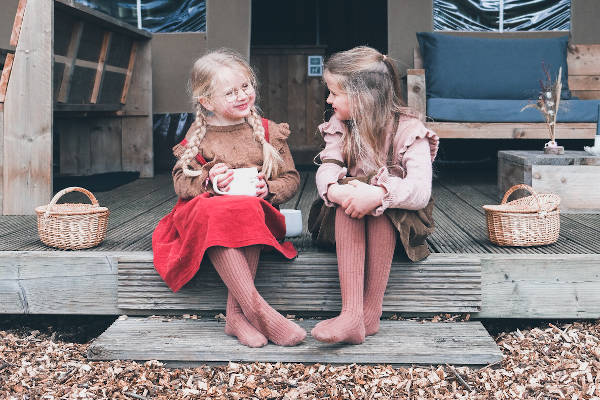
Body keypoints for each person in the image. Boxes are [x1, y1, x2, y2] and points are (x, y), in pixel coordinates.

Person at [152, 49, 306, 348]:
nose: (242, 95)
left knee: (245, 207)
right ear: (207, 102)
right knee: (225, 210)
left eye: (246, 86)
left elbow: (292, 178)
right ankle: (256, 310)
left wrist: (269, 190)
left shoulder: (267, 131)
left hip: (253, 216)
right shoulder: (200, 134)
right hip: (205, 217)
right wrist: (208, 181)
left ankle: (236, 316)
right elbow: (180, 182)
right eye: (230, 92)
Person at [311, 46, 439, 345]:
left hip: (400, 224)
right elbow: (327, 167)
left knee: (381, 199)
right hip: (346, 221)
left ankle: (370, 312)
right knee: (352, 191)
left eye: (334, 93)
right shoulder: (340, 127)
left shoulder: (408, 130)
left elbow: (420, 191)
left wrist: (380, 194)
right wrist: (336, 190)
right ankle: (351, 313)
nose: (328, 100)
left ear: (361, 96)